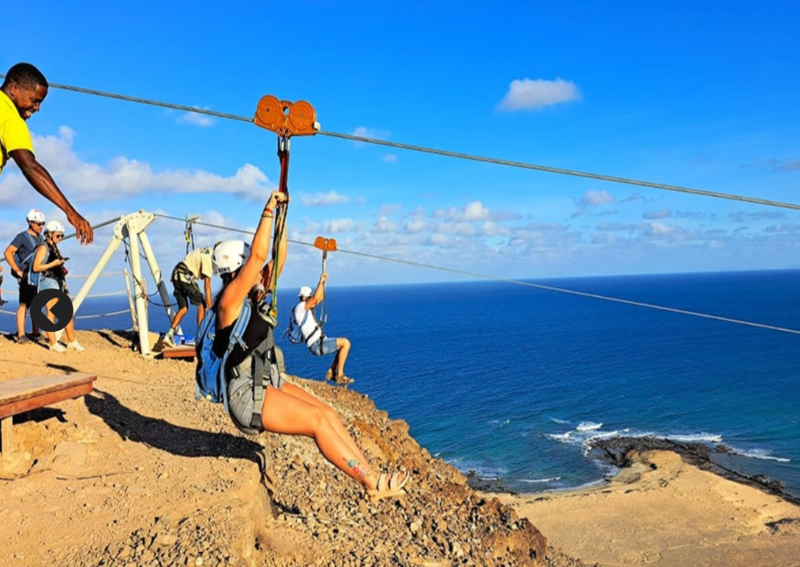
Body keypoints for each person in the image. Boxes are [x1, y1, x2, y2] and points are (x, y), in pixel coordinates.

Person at [207, 190, 409, 501]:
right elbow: (260, 257)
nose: (257, 270)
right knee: (316, 422)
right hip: (246, 395)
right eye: (248, 265)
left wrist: (283, 216)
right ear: (236, 269)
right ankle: (372, 483)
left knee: (327, 413)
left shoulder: (252, 296)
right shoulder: (229, 303)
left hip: (265, 380)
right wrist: (268, 210)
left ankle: (372, 474)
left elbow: (279, 258)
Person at [1, 63, 93, 244]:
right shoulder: (10, 118)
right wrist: (71, 213)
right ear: (13, 89)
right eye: (34, 100)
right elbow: (29, 166)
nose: (37, 108)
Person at [31, 221, 84, 353]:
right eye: (58, 235)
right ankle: (53, 343)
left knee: (68, 310)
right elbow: (36, 267)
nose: (60, 238)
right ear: (49, 234)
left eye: (62, 236)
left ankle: (72, 341)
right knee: (51, 312)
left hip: (58, 281)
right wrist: (53, 264)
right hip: (48, 282)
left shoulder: (53, 247)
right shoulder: (43, 247)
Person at [294, 278, 354, 384]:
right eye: (309, 297)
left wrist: (323, 284)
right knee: (346, 343)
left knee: (341, 346)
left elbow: (319, 298)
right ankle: (339, 375)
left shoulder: (305, 309)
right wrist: (320, 282)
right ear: (304, 297)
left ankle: (332, 371)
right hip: (317, 344)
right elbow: (315, 298)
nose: (310, 298)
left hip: (318, 342)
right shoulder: (300, 308)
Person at [3, 209, 46, 344]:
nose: (41, 226)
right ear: (31, 223)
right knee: (24, 304)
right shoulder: (22, 237)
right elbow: (8, 252)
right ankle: (21, 334)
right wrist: (17, 270)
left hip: (37, 276)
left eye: (43, 224)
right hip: (26, 275)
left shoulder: (41, 238)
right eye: (38, 224)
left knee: (36, 304)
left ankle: (35, 332)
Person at [163, 246, 214, 346]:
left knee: (183, 308)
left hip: (176, 276)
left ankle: (169, 335)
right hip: (184, 277)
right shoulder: (209, 258)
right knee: (201, 304)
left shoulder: (205, 250)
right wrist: (209, 306)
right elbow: (207, 285)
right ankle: (200, 338)